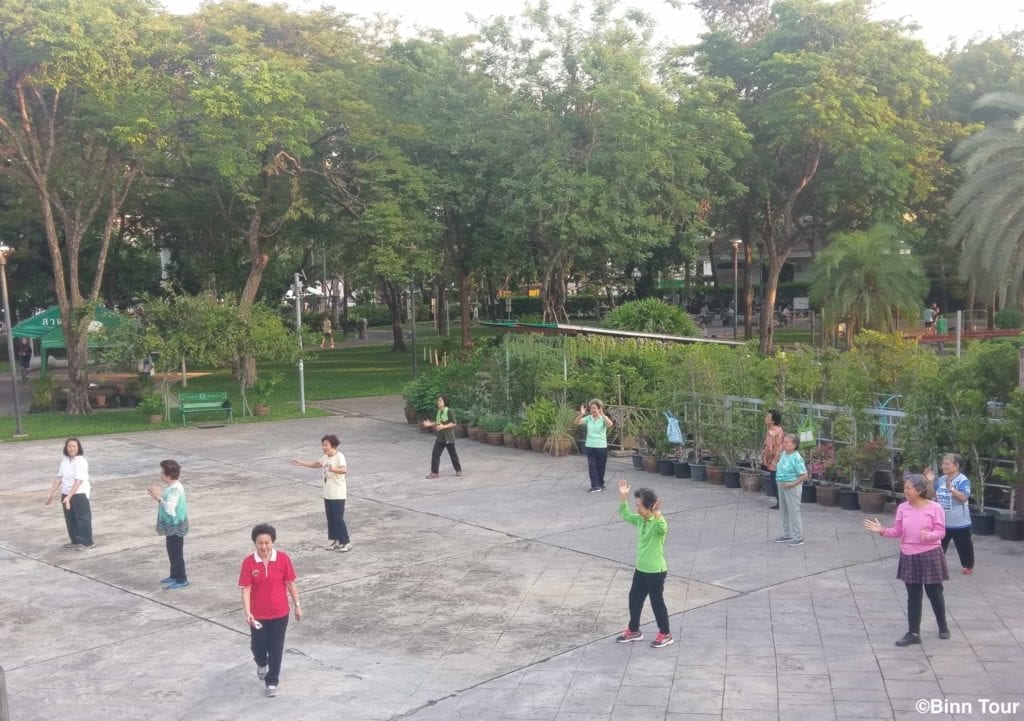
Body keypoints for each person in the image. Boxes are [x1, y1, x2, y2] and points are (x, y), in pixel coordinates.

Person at [863, 474, 950, 646]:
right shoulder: (903, 508)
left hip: (930, 553)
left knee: (935, 593)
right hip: (909, 554)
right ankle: (913, 633)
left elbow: (941, 532)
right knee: (913, 595)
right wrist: (881, 530)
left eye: (908, 488)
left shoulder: (935, 508)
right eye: (905, 488)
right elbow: (898, 531)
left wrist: (930, 536)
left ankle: (942, 625)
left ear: (920, 490)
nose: (905, 491)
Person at [239, 523, 302, 698]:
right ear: (255, 543)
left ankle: (272, 681)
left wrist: (297, 605)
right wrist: (248, 612)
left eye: (267, 543)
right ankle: (261, 662)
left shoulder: (283, 559)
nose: (264, 547)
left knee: (276, 647)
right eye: (260, 543)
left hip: (280, 613)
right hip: (257, 615)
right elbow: (245, 589)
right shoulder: (249, 562)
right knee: (258, 645)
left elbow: (290, 583)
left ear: (272, 542)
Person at [614, 479, 673, 648]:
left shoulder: (656, 523)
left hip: (655, 571)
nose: (637, 508)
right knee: (634, 599)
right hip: (641, 569)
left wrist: (657, 514)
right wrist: (623, 498)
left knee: (656, 602)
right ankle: (634, 631)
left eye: (639, 505)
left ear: (649, 507)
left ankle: (665, 633)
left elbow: (663, 529)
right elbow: (625, 514)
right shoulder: (640, 520)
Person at [291, 435, 351, 552]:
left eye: (326, 445)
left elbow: (344, 470)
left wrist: (333, 469)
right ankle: (334, 540)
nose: (324, 447)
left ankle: (345, 542)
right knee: (331, 518)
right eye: (323, 445)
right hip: (327, 493)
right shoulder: (325, 457)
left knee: (338, 518)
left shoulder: (339, 456)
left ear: (333, 445)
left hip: (338, 493)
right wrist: (301, 463)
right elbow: (316, 464)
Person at [924, 454, 974, 575]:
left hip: (959, 522)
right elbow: (930, 495)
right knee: (938, 545)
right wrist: (930, 482)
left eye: (947, 464)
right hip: (941, 521)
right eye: (943, 464)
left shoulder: (963, 480)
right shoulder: (941, 479)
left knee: (964, 546)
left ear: (956, 466)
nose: (944, 466)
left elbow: (964, 497)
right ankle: (937, 565)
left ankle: (968, 565)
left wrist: (951, 489)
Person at [45, 437, 94, 549]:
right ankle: (75, 540)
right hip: (66, 492)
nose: (72, 448)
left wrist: (70, 497)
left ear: (78, 448)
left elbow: (78, 481)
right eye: (69, 446)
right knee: (70, 518)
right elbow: (59, 477)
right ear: (66, 448)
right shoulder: (65, 460)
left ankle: (87, 542)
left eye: (74, 446)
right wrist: (51, 493)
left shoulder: (81, 461)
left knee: (82, 518)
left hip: (79, 493)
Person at [148, 459, 190, 589]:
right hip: (173, 525)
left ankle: (181, 578)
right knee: (171, 550)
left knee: (176, 552)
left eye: (162, 472)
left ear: (168, 474)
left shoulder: (174, 490)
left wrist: (159, 498)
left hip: (175, 525)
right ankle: (174, 575)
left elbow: (170, 509)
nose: (160, 474)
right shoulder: (173, 486)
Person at [773, 434, 808, 547]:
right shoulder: (784, 454)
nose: (784, 444)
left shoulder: (797, 458)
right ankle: (786, 534)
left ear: (794, 445)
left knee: (794, 511)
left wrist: (792, 484)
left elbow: (804, 475)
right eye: (784, 442)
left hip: (792, 487)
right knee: (784, 510)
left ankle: (798, 537)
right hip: (782, 485)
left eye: (787, 442)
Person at [576, 399, 613, 493]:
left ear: (599, 409)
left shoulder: (603, 419)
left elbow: (610, 424)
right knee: (592, 466)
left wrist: (603, 415)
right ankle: (595, 486)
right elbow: (577, 422)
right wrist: (581, 414)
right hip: (590, 446)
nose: (593, 410)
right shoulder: (588, 418)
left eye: (595, 408)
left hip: (601, 446)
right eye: (591, 408)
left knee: (601, 466)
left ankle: (601, 484)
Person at [423, 395, 462, 479]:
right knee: (435, 454)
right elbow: (438, 422)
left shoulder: (449, 411)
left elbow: (454, 423)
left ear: (445, 402)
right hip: (440, 438)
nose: (438, 402)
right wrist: (430, 424)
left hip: (448, 437)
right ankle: (434, 472)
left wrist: (443, 427)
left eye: (440, 400)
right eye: (438, 401)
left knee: (453, 455)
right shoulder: (439, 411)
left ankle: (458, 470)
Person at [760, 410, 784, 509]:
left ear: (772, 421)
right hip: (781, 458)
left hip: (774, 461)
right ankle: (782, 501)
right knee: (778, 481)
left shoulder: (771, 432)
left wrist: (766, 460)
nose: (765, 418)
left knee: (774, 483)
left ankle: (780, 502)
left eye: (768, 417)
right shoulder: (780, 429)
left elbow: (769, 449)